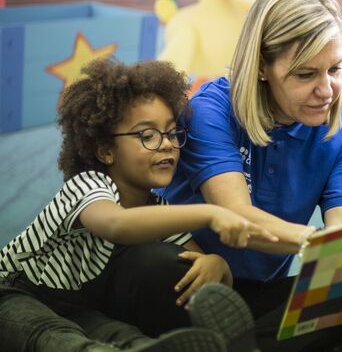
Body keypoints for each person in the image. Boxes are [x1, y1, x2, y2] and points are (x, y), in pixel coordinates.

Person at [0, 58, 271, 351]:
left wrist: (217, 263)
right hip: (16, 293)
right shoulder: (87, 186)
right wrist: (212, 212)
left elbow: (198, 258)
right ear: (105, 151)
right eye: (148, 135)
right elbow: (117, 225)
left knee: (120, 335)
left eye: (171, 133)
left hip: (81, 308)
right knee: (48, 334)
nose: (167, 144)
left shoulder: (158, 208)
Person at [162, 0, 342, 350]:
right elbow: (237, 218)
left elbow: (341, 240)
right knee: (155, 267)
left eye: (335, 69)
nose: (327, 90)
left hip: (259, 294)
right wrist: (322, 243)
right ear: (262, 67)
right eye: (306, 75)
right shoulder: (211, 109)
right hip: (190, 269)